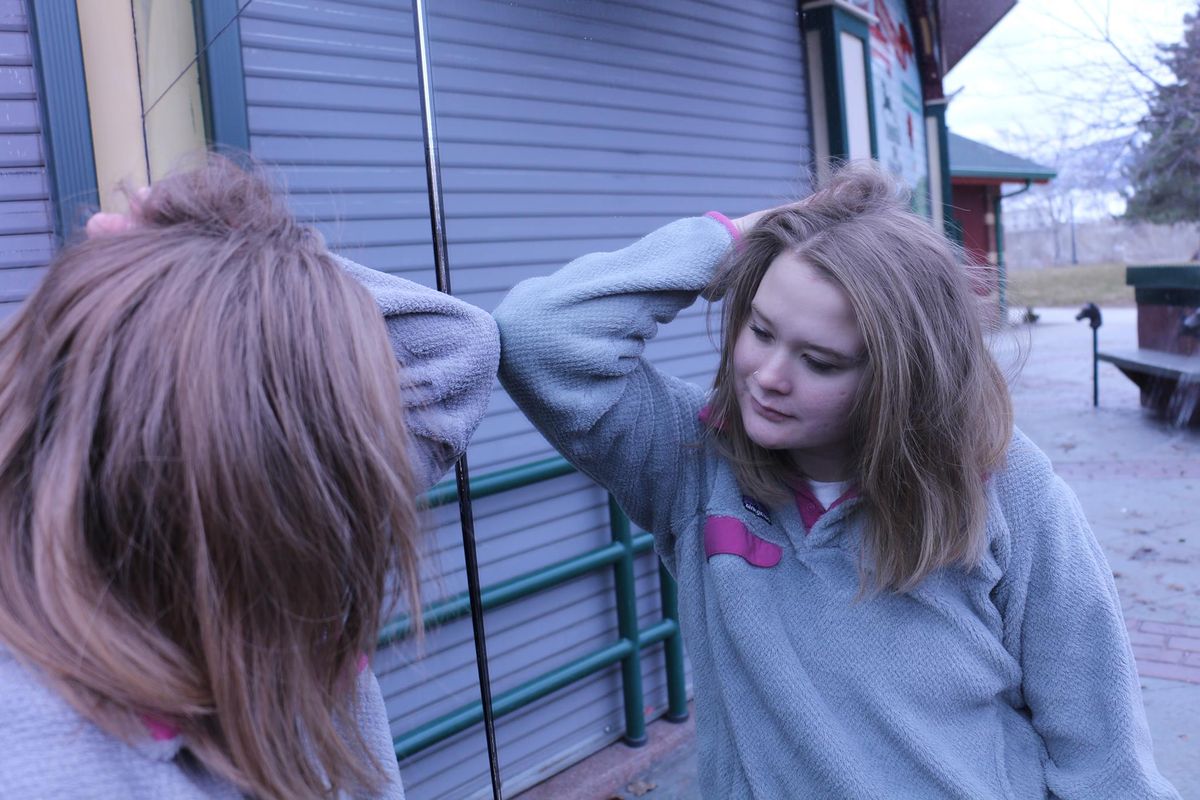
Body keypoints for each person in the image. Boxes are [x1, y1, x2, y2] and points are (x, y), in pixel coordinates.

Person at [494, 162, 1179, 799]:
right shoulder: (692, 463)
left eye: (820, 362)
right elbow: (534, 334)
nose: (768, 377)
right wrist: (740, 238)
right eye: (761, 331)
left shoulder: (1006, 486)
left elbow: (1105, 757)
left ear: (902, 379)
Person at [0, 158, 499, 799]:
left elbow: (461, 345)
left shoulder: (287, 610)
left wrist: (233, 256)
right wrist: (244, 269)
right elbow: (457, 347)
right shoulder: (45, 762)